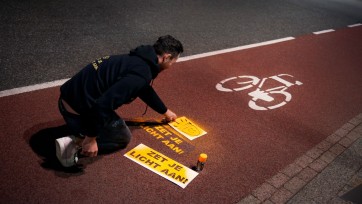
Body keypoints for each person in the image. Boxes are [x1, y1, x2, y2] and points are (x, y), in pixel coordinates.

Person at [55, 35, 183, 167]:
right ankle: (72, 144)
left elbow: (144, 89)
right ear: (166, 57)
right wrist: (91, 138)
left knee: (107, 118)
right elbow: (102, 105)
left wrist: (165, 111)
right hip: (77, 111)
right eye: (172, 63)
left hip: (67, 100)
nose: (171, 66)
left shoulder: (135, 60)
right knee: (122, 137)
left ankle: (81, 132)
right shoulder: (140, 74)